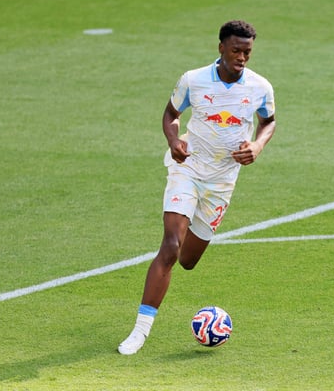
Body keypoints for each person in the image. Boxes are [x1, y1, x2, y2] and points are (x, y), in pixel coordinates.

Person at [118, 20, 276, 355]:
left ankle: (183, 239)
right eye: (236, 50)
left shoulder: (260, 87)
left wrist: (258, 146)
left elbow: (268, 121)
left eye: (247, 52)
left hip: (222, 181)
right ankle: (140, 331)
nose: (242, 57)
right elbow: (171, 114)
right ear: (221, 48)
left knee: (188, 259)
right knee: (171, 247)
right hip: (187, 169)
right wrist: (174, 140)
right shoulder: (193, 80)